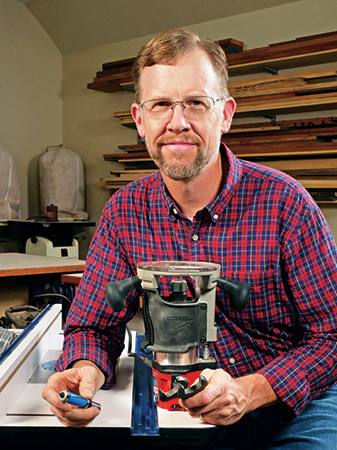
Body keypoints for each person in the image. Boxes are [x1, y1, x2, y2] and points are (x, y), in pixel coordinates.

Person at [42, 28, 337, 448]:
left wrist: (252, 390)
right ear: (140, 119)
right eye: (161, 104)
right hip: (176, 402)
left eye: (196, 103)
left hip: (287, 403)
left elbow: (330, 335)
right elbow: (92, 325)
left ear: (226, 114)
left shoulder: (286, 203)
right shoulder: (124, 212)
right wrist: (84, 369)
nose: (177, 123)